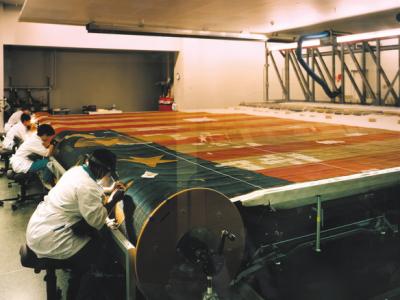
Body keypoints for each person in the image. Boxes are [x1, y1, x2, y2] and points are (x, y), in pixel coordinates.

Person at [26, 148, 125, 299]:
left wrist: (108, 189)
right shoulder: (87, 187)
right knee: (97, 249)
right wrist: (113, 199)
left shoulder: (76, 171)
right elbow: (97, 221)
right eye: (107, 172)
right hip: (49, 239)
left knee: (85, 233)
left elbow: (88, 187)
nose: (107, 176)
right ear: (100, 169)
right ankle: (77, 293)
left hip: (38, 228)